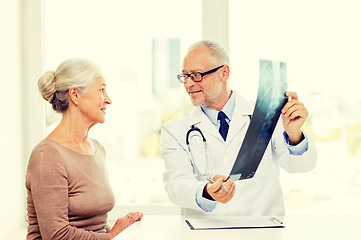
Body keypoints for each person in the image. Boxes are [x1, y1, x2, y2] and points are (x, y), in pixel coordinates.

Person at [160, 40, 317, 216]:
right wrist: (207, 191)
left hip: (262, 231)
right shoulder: (174, 130)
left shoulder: (267, 115)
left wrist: (294, 133)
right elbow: (175, 186)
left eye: (196, 75)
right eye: (185, 76)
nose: (188, 84)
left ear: (224, 73)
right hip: (206, 232)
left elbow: (301, 166)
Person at [26, 58, 143, 240]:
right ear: (75, 95)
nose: (109, 100)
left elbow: (93, 227)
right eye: (101, 90)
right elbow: (56, 235)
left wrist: (120, 228)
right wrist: (111, 236)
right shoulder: (47, 156)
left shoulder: (97, 149)